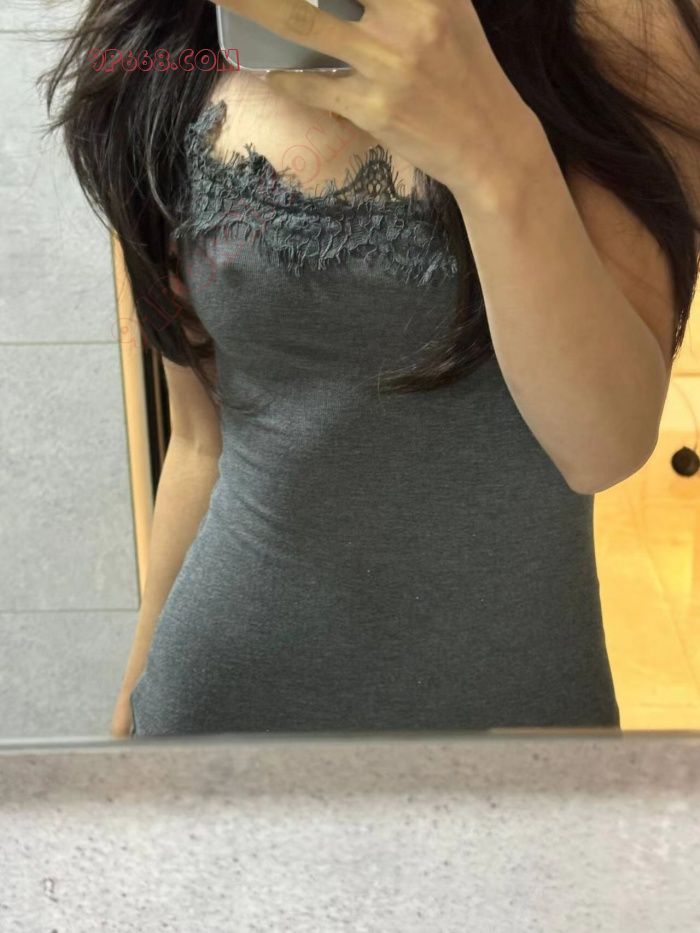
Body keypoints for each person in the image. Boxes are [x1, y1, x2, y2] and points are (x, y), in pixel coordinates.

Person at [40, 0, 699, 737]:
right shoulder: (171, 45)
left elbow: (603, 445)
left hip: (516, 719)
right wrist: (134, 700)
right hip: (219, 702)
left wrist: (490, 149)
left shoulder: (618, 23)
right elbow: (200, 440)